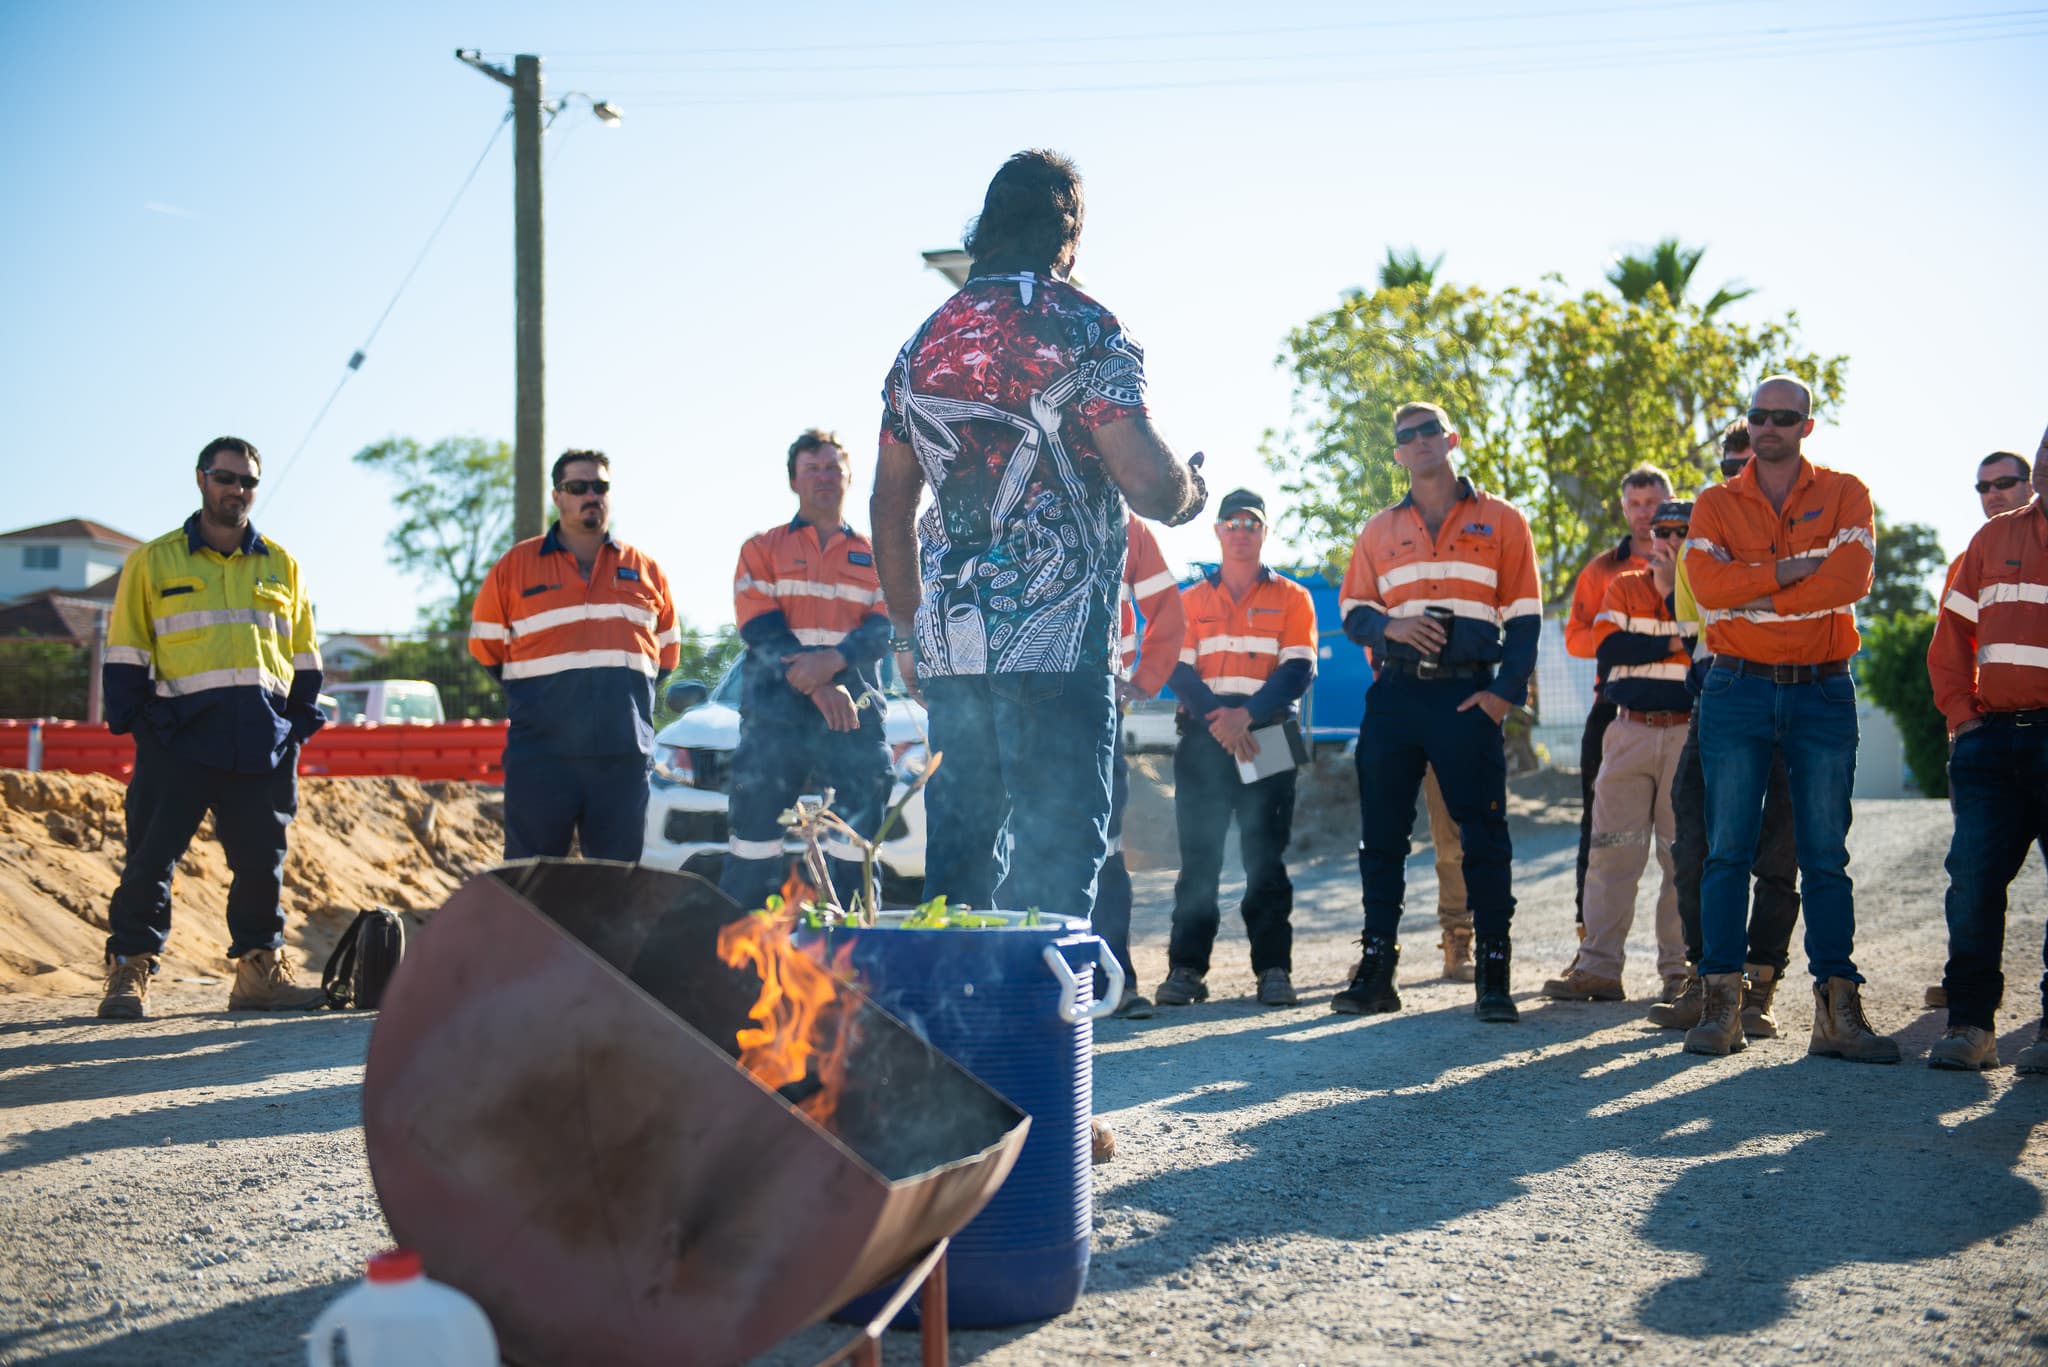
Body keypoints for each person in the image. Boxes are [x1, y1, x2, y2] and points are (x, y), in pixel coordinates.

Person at [870, 148, 1207, 925]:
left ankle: (963, 1038)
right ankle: (1044, 1038)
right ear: (1071, 236)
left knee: (960, 850)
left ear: (985, 229)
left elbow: (889, 504)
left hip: (954, 649)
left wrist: (906, 631)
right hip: (1057, 645)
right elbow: (1149, 483)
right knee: (1059, 851)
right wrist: (1190, 492)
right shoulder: (1084, 327)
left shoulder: (925, 342)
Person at [1682, 375, 1895, 1062]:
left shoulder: (1846, 492)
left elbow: (1852, 578)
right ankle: (1721, 1007)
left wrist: (1758, 591)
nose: (1768, 427)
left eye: (1783, 416)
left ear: (1807, 424)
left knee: (1825, 854)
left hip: (1822, 690)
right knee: (1727, 851)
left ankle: (1836, 1011)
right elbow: (1708, 588)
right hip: (1736, 688)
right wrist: (1797, 571)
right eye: (1758, 416)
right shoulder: (1715, 502)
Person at [96, 436, 329, 1019]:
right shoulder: (153, 561)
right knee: (150, 857)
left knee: (260, 863)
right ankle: (129, 970)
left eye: (248, 481)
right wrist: (144, 725)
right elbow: (127, 648)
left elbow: (304, 657)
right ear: (202, 479)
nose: (238, 490)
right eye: (227, 478)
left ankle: (258, 972)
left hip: (260, 741)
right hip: (179, 739)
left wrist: (294, 727)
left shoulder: (282, 564)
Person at [1334, 402, 1542, 1023]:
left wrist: (1505, 693)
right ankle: (1377, 969)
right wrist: (1392, 625)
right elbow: (1351, 613)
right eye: (1407, 436)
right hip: (1396, 697)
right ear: (1397, 453)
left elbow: (1527, 618)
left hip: (1467, 696)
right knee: (1382, 838)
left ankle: (1493, 973)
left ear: (1449, 439)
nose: (1420, 441)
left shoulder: (1503, 520)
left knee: (1483, 834)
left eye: (1430, 431)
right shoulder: (1377, 530)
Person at [1656, 420, 1801, 1037]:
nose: (1739, 476)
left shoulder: (1806, 530)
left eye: (1750, 463)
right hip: (1717, 702)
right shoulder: (1700, 543)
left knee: (1779, 850)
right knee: (1693, 844)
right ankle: (1708, 979)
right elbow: (1699, 634)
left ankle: (1759, 984)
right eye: (1729, 466)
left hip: (1794, 698)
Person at [469, 450, 679, 863]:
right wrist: (544, 703)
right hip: (542, 757)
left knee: (615, 888)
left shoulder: (647, 569)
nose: (590, 496)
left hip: (621, 758)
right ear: (557, 497)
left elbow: (666, 656)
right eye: (577, 487)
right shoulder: (514, 567)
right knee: (531, 884)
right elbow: (486, 648)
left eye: (599, 487)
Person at [1152, 490, 1317, 1009]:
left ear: (1264, 532)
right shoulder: (1190, 599)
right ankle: (1186, 970)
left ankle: (1273, 970)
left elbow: (1298, 668)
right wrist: (1220, 721)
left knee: (1265, 858)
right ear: (1219, 531)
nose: (1241, 529)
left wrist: (1245, 715)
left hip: (1268, 734)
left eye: (1252, 522)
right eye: (1232, 522)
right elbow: (1176, 669)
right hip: (1205, 738)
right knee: (1199, 860)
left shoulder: (1293, 597)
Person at [719, 430, 894, 911]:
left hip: (853, 718)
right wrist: (817, 687)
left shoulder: (878, 556)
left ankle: (858, 969)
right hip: (775, 718)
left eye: (833, 468)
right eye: (812, 469)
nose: (824, 477)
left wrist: (831, 668)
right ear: (793, 481)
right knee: (753, 845)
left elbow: (887, 626)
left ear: (849, 478)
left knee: (855, 848)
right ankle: (738, 972)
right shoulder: (761, 549)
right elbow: (760, 627)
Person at [1924, 441, 2048, 1073]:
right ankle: (1970, 1025)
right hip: (1991, 739)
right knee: (1972, 885)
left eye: (2011, 480)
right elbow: (1951, 637)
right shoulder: (1992, 541)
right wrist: (1964, 718)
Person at [1546, 499, 1695, 1001]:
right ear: (1651, 536)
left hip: (1686, 734)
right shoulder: (1623, 587)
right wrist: (1676, 640)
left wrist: (1675, 597)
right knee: (1610, 853)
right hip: (1627, 730)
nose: (1671, 541)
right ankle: (1600, 968)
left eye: (1682, 531)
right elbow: (1610, 653)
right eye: (1663, 531)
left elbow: (1705, 650)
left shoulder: (1708, 588)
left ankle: (1679, 972)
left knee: (1681, 859)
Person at [1563, 465, 1673, 940]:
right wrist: (1628, 635)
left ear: (1669, 500)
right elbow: (1576, 638)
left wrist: (1626, 634)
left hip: (1684, 709)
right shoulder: (1602, 569)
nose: (1644, 512)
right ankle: (1590, 944)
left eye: (1653, 502)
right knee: (1598, 830)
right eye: (1635, 504)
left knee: (1683, 838)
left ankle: (1689, 962)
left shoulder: (1696, 561)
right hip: (1613, 707)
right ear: (1623, 507)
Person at [1096, 513, 1186, 1018]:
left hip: (1099, 713)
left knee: (1107, 850)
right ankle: (1043, 988)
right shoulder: (1012, 496)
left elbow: (1167, 613)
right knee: (1028, 847)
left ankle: (1117, 982)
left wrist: (1143, 681)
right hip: (1021, 712)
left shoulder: (1127, 526)